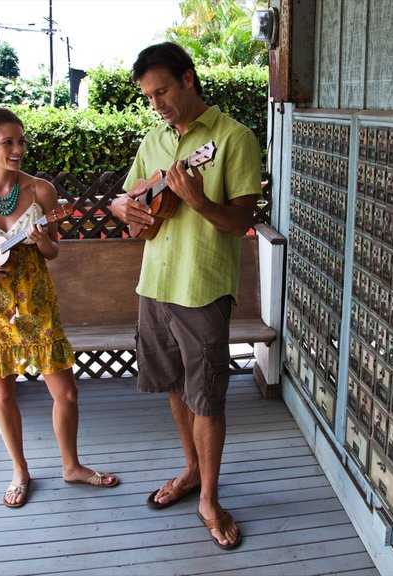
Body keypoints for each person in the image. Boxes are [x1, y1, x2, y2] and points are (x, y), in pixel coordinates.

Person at [109, 42, 261, 551]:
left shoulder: (233, 138)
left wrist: (196, 199)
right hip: (154, 284)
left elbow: (242, 220)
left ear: (189, 78)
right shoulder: (153, 140)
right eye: (149, 97)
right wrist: (121, 209)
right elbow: (128, 197)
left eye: (163, 91)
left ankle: (210, 500)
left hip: (201, 288)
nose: (158, 104)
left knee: (209, 398)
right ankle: (191, 469)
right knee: (175, 386)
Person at [0, 107, 119, 509]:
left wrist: (40, 242)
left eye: (21, 141)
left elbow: (54, 250)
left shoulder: (41, 191)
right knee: (2, 394)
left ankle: (71, 465)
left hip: (35, 302)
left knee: (66, 393)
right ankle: (20, 470)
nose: (18, 149)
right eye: (8, 142)